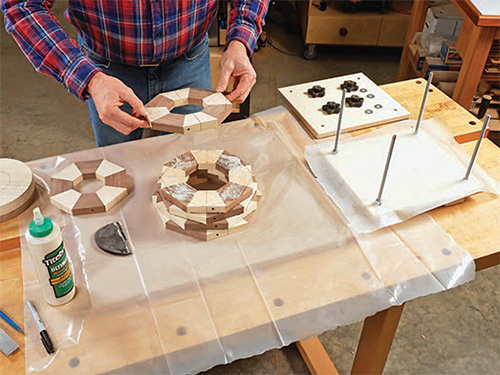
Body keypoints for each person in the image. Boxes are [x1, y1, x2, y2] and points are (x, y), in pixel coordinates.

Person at [1, 0, 268, 146]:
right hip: (106, 71)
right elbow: (21, 5)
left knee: (191, 160)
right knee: (119, 171)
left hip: (188, 59)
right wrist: (88, 78)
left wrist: (241, 38)